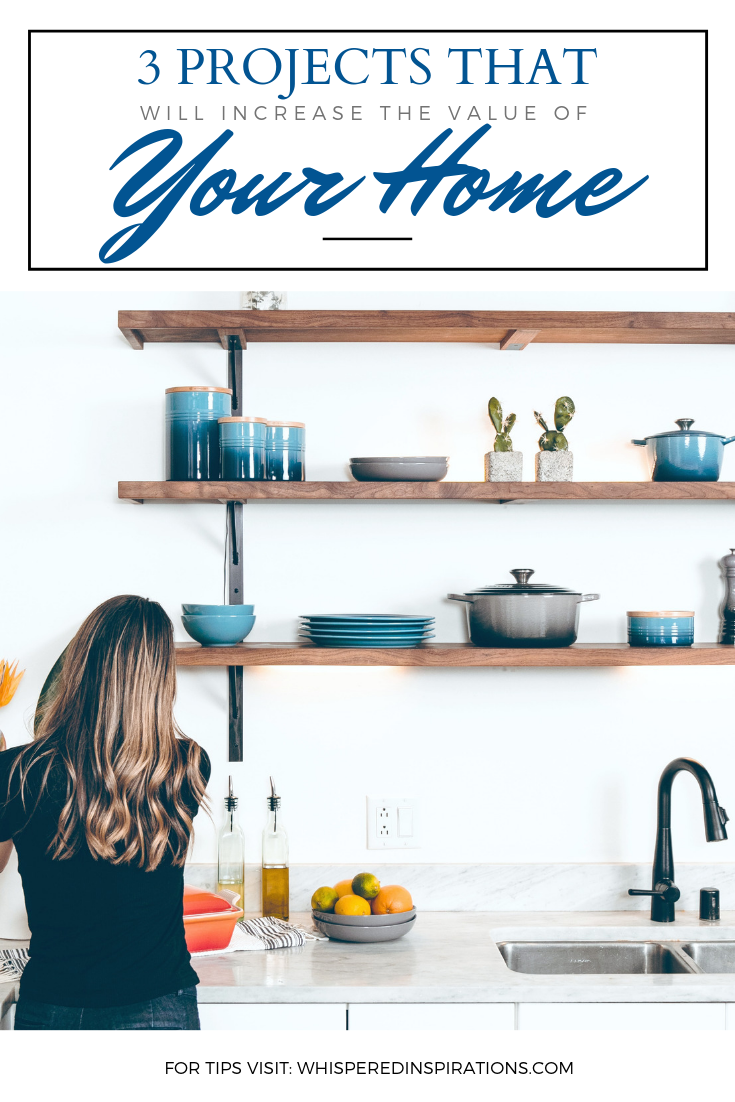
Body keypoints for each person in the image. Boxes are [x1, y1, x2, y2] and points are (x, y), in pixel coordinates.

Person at [0, 595, 211, 1030]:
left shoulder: (17, 771)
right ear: (160, 678)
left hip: (52, 1007)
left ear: (77, 665)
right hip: (159, 1007)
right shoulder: (187, 766)